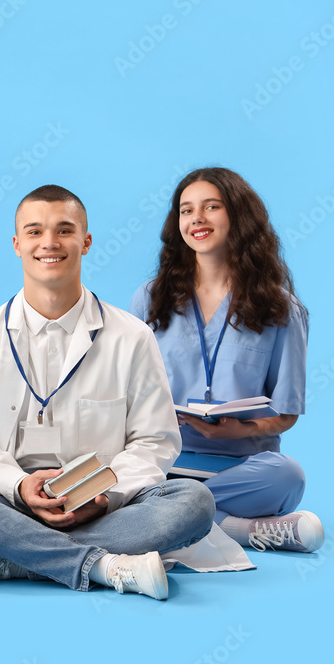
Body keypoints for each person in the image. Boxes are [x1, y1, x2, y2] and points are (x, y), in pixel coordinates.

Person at [0, 185, 215, 601]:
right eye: (35, 232)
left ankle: (12, 558)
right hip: (10, 504)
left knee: (194, 502)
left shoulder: (132, 336)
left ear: (86, 241)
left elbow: (155, 443)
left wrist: (104, 496)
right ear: (17, 244)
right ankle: (105, 565)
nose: (49, 243)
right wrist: (20, 487)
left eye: (64, 230)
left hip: (104, 509)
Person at [130, 167, 323, 553]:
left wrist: (236, 431)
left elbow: (285, 413)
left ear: (239, 217)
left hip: (239, 466)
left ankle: (155, 518)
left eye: (211, 206)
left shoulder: (282, 309)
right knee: (102, 473)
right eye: (186, 210)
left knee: (288, 476)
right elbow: (124, 390)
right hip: (160, 462)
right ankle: (238, 529)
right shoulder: (150, 299)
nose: (196, 219)